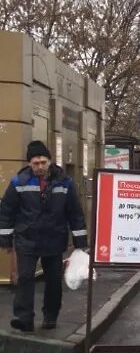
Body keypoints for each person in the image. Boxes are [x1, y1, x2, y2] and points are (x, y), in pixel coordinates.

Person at [0, 141, 88, 332]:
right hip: (27, 239)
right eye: (35, 163)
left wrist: (80, 242)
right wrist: (5, 240)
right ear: (29, 164)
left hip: (54, 238)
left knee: (53, 280)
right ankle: (24, 318)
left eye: (43, 162)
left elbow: (75, 213)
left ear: (49, 161)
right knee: (25, 278)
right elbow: (6, 212)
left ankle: (50, 316)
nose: (40, 166)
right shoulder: (19, 182)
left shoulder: (64, 182)